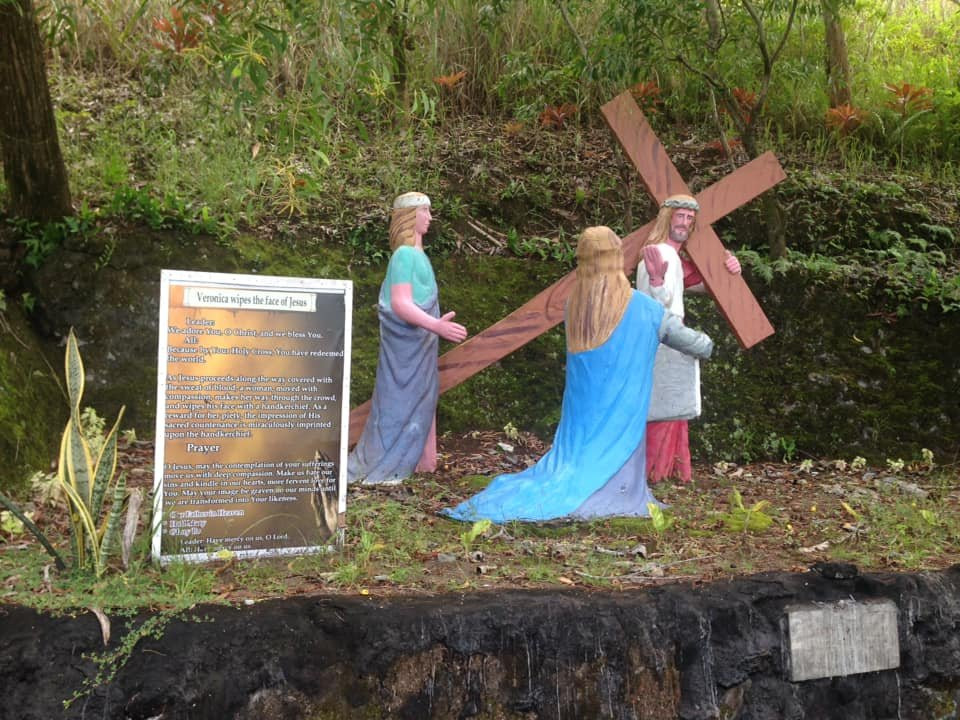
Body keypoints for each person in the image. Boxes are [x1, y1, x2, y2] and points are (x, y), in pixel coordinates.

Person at [443, 226, 713, 523]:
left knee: (567, 465)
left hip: (581, 414)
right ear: (617, 258)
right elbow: (690, 340)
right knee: (600, 476)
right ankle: (612, 493)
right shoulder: (644, 308)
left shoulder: (576, 305)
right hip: (622, 414)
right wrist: (701, 336)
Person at [348, 192, 467, 485]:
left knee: (425, 395)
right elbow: (401, 304)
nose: (429, 217)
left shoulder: (418, 255)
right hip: (404, 351)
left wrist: (434, 328)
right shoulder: (403, 256)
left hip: (422, 345)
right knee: (397, 402)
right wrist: (436, 326)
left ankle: (423, 461)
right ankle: (385, 464)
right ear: (410, 216)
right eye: (425, 211)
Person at [636, 194, 741, 484]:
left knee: (676, 407)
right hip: (658, 337)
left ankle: (672, 468)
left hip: (675, 336)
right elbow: (653, 304)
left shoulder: (676, 260)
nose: (684, 223)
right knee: (661, 408)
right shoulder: (655, 254)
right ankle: (654, 471)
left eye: (689, 219)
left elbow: (708, 285)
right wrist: (656, 282)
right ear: (668, 218)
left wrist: (732, 268)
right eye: (680, 216)